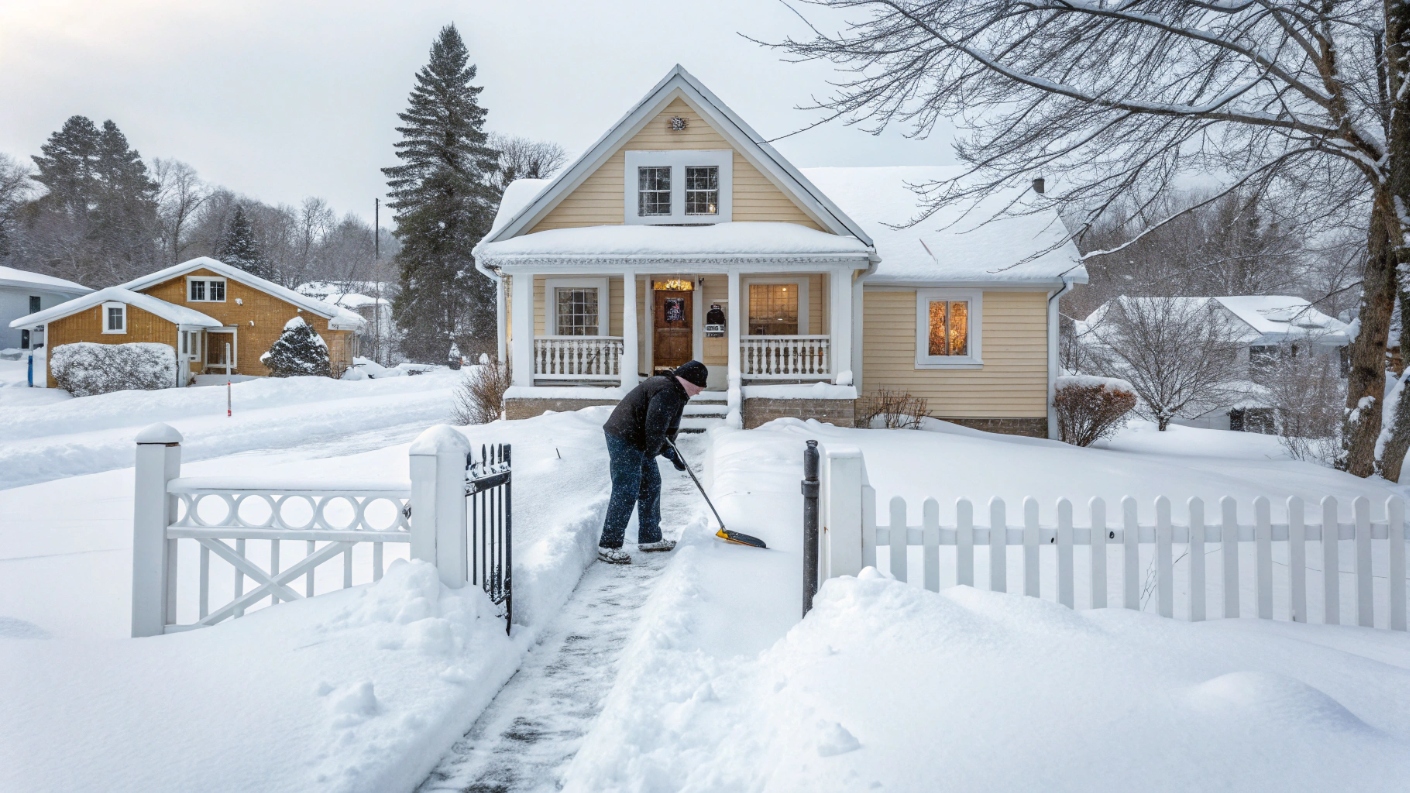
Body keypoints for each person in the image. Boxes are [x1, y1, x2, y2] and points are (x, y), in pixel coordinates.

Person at [597, 360, 708, 564]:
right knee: (626, 489)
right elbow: (655, 430)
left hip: (636, 437)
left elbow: (662, 431)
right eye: (700, 386)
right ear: (690, 381)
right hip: (624, 437)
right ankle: (608, 545)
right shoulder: (668, 391)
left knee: (651, 483)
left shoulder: (673, 389)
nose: (700, 391)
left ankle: (649, 538)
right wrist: (663, 452)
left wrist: (670, 452)